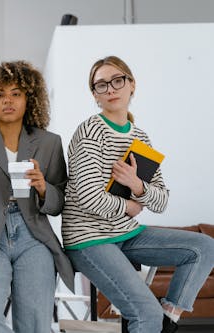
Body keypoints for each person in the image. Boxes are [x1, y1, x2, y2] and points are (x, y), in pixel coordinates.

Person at [62, 55, 214, 333]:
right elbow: (87, 197)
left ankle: (170, 317)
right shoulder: (90, 132)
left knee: (203, 247)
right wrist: (128, 207)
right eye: (101, 85)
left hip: (127, 234)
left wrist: (137, 186)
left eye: (117, 81)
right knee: (145, 314)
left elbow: (161, 200)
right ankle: (157, 320)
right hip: (90, 239)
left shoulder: (140, 138)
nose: (110, 89)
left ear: (132, 85)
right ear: (94, 95)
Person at [0, 61, 74, 333]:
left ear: (29, 98)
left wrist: (44, 188)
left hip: (34, 237)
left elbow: (61, 201)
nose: (8, 100)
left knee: (35, 324)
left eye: (16, 93)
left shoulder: (49, 142)